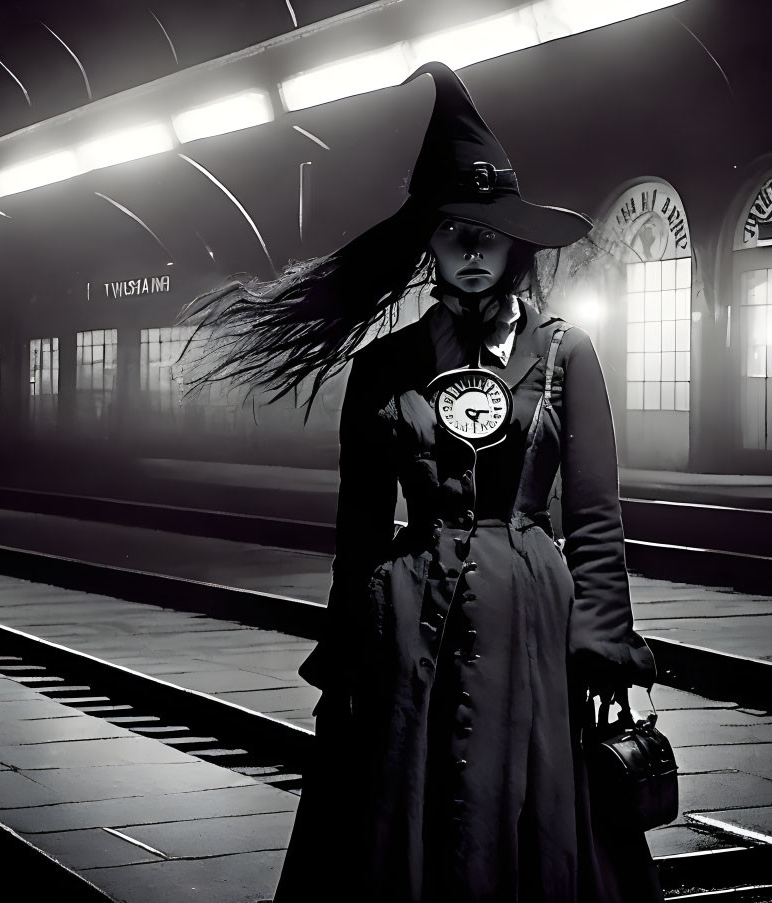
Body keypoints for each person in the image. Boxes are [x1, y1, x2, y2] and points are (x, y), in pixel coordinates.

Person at [180, 61, 661, 903]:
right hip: (408, 617)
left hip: (531, 618)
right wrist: (341, 654)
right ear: (428, 242)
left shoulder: (563, 355)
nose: (472, 251)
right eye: (452, 231)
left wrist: (604, 643)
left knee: (531, 801)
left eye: (487, 232)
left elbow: (593, 514)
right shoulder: (384, 367)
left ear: (515, 241)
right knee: (409, 800)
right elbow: (358, 523)